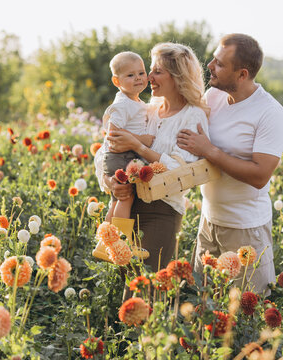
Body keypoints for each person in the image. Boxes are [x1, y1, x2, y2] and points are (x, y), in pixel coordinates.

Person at [176, 33, 283, 295]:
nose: (210, 66)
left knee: (247, 316)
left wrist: (210, 151)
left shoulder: (270, 112)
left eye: (220, 64)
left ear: (242, 74)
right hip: (209, 222)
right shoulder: (214, 96)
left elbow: (260, 175)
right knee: (204, 306)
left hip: (245, 229)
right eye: (214, 59)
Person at [94, 42, 210, 272]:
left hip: (162, 210)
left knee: (144, 285)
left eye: (157, 71)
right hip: (129, 205)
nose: (149, 77)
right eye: (151, 70)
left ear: (177, 77)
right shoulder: (148, 110)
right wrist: (110, 182)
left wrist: (139, 146)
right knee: (124, 284)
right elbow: (105, 150)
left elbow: (182, 171)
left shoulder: (193, 116)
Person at [92, 51, 154, 262]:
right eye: (130, 75)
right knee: (126, 196)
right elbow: (113, 134)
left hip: (124, 155)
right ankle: (120, 244)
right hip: (121, 156)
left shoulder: (133, 101)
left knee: (117, 201)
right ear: (116, 81)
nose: (138, 78)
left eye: (141, 72)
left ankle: (104, 244)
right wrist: (142, 139)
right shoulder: (122, 105)